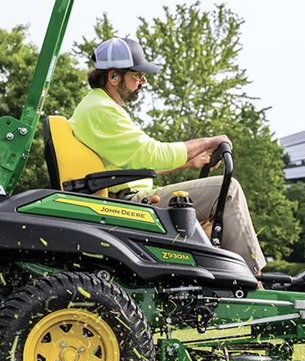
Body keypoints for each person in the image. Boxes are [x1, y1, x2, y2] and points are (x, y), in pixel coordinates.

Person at [68, 37, 266, 274]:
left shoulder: (96, 107)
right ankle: (253, 281)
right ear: (113, 77)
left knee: (212, 219)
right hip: (126, 203)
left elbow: (134, 165)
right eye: (137, 75)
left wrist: (188, 163)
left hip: (121, 196)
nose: (144, 81)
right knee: (229, 190)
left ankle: (220, 283)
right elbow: (153, 153)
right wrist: (209, 142)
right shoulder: (102, 111)